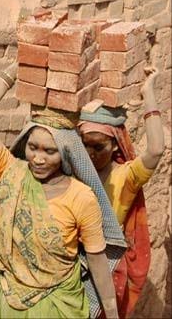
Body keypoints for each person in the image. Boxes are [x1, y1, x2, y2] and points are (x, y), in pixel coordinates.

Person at [0, 63, 126, 318]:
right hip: (5, 302)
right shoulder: (12, 173)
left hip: (56, 305)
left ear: (65, 151)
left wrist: (112, 313)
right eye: (33, 147)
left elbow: (97, 261)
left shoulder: (81, 197)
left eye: (49, 151)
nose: (38, 159)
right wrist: (20, 66)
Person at [78, 67, 164, 318]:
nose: (90, 153)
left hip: (104, 268)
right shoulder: (74, 171)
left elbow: (156, 150)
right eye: (84, 144)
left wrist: (149, 93)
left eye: (98, 146)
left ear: (115, 142)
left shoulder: (125, 177)